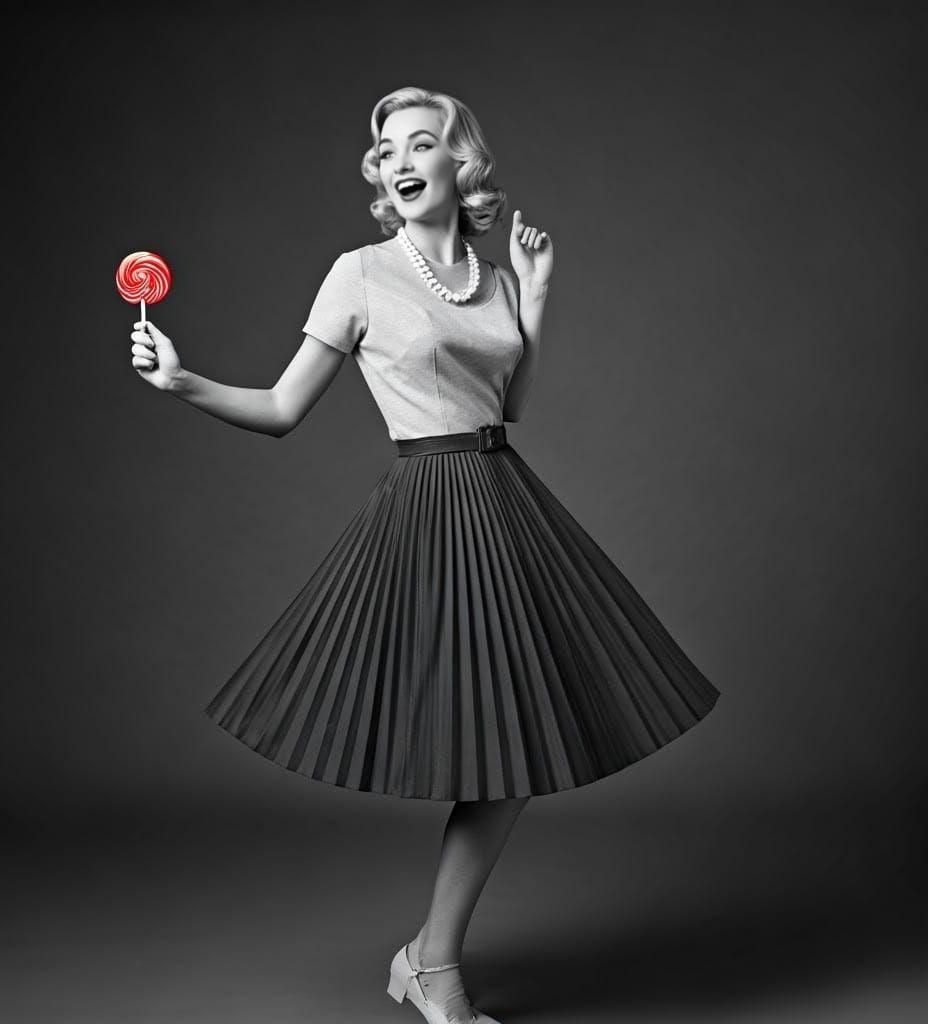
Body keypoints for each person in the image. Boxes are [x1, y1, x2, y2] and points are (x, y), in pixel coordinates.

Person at [128, 85, 720, 1024]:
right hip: (431, 513)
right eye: (386, 150)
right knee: (489, 745)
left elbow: (510, 406)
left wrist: (538, 299)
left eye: (421, 145)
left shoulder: (489, 278)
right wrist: (182, 380)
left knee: (526, 744)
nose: (400, 161)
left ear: (460, 164)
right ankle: (433, 968)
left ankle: (427, 960)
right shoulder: (359, 273)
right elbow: (283, 411)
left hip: (507, 506)